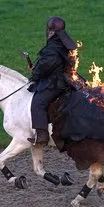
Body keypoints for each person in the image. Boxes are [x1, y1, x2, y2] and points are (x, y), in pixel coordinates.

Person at [27, 16, 78, 146]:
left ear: (51, 31)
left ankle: (42, 135)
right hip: (65, 78)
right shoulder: (62, 44)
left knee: (38, 102)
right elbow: (47, 64)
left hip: (55, 83)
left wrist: (34, 74)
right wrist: (37, 68)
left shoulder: (51, 49)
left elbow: (45, 67)